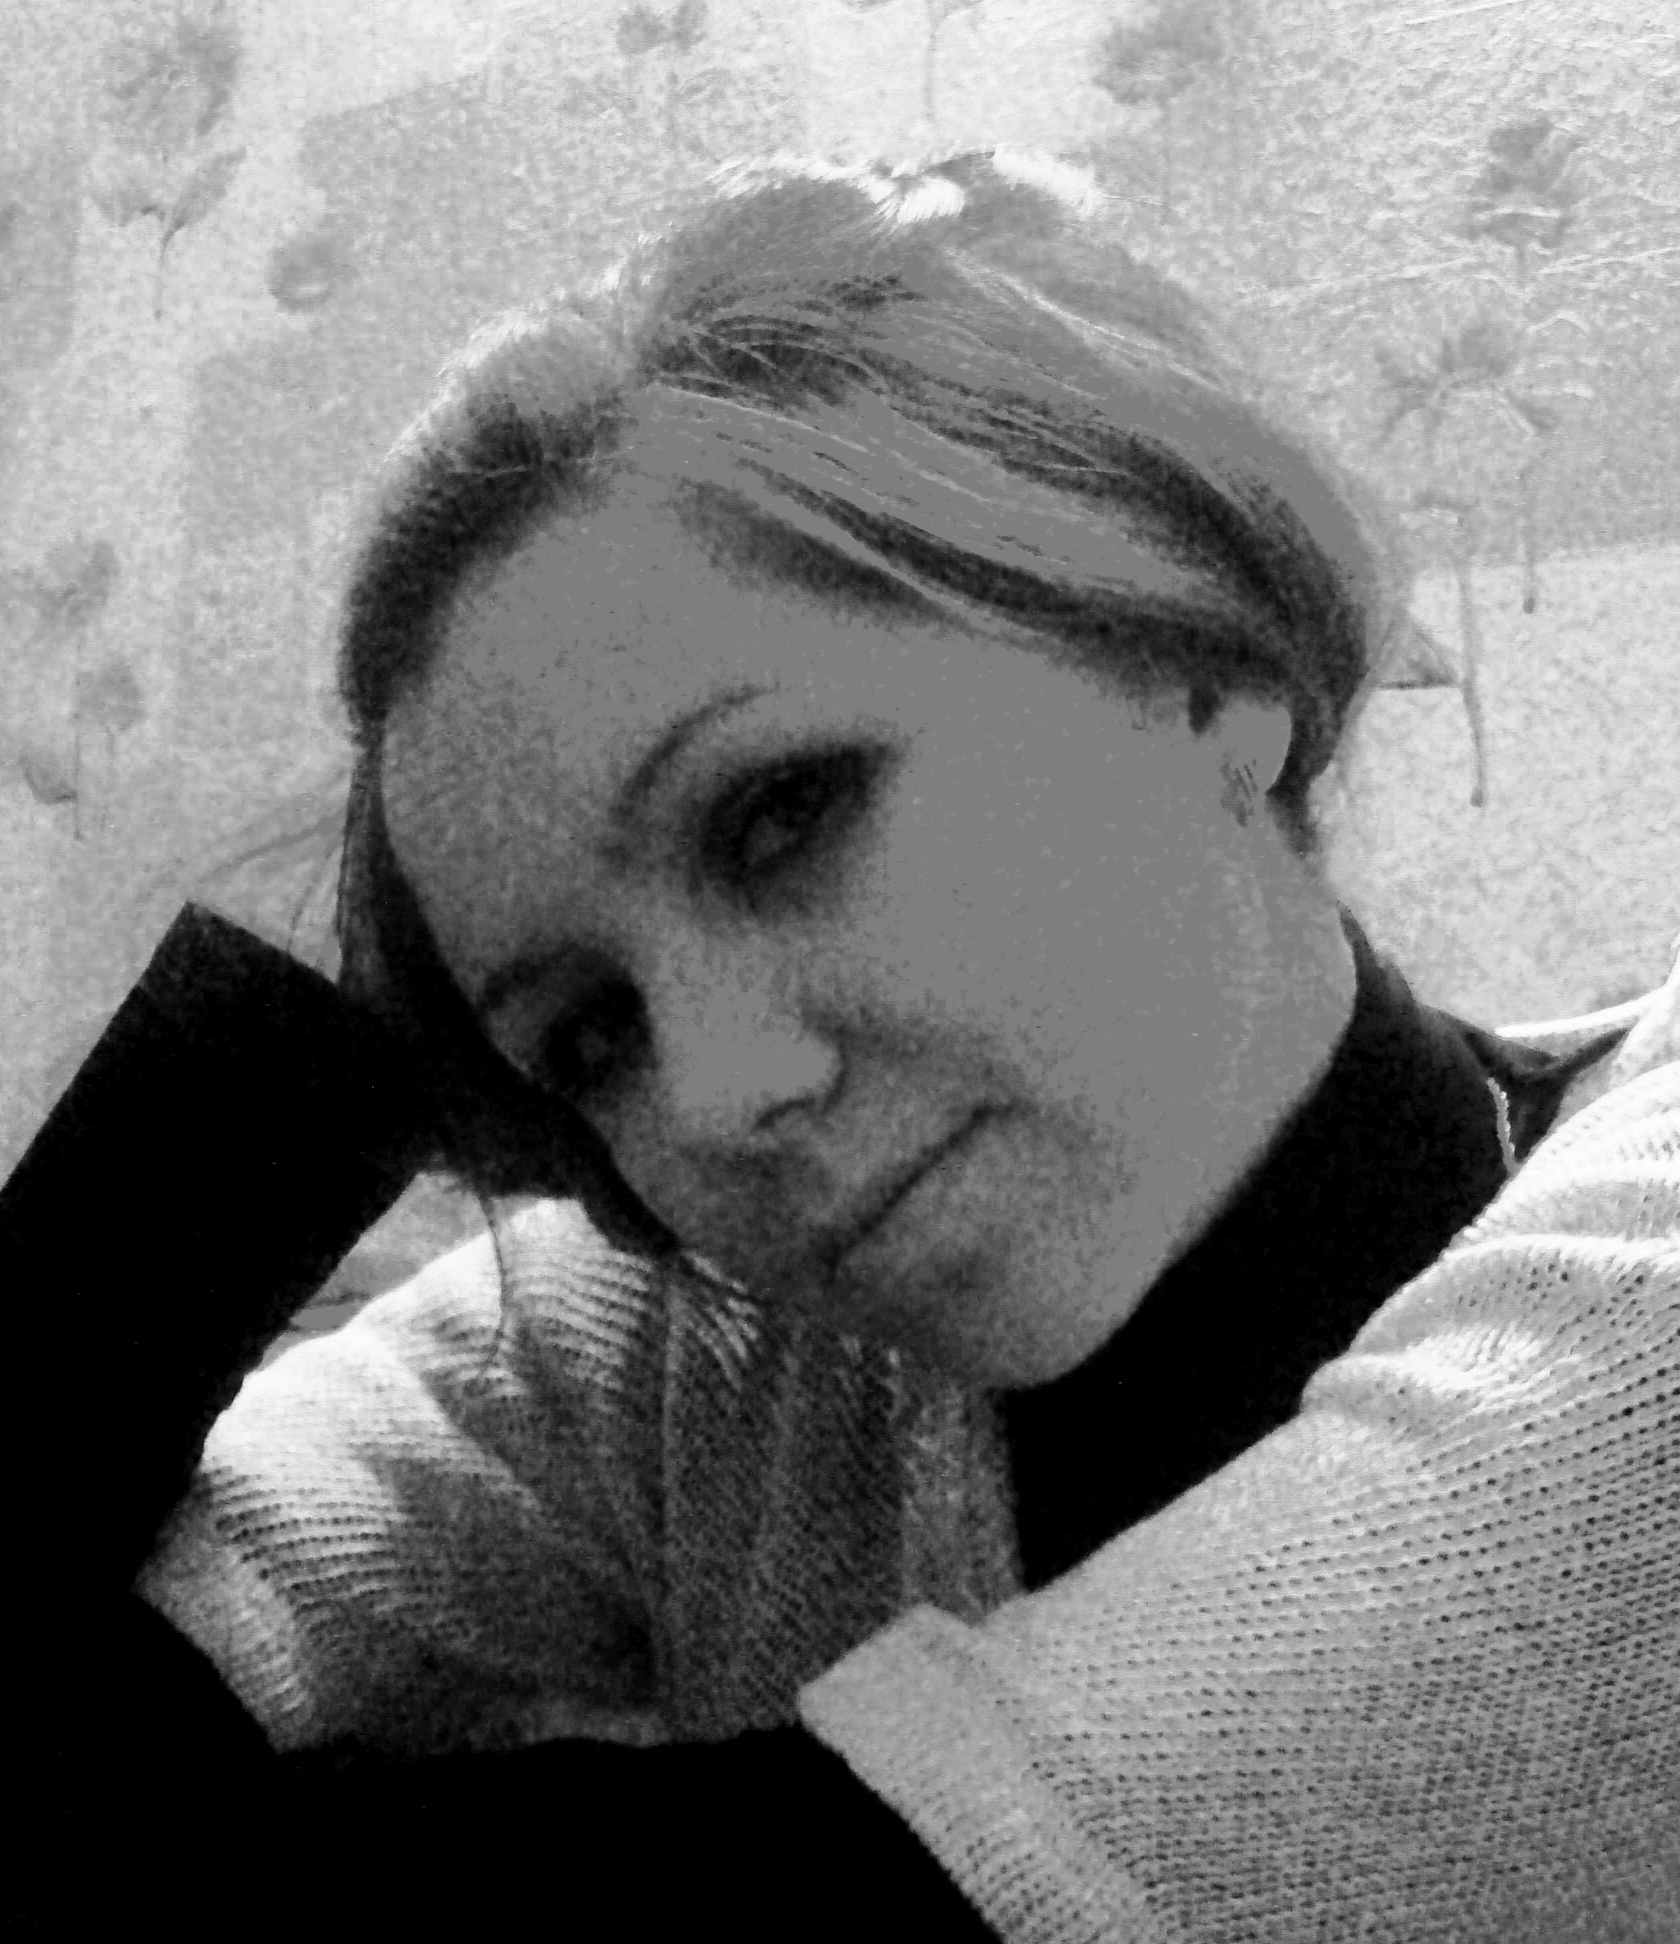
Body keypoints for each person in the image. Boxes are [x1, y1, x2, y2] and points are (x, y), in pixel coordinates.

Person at [4, 149, 1660, 1936]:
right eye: (591, 1033)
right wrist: (375, 948)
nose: (719, 1097)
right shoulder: (684, 1352)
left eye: (781, 814)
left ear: (1202, 669)